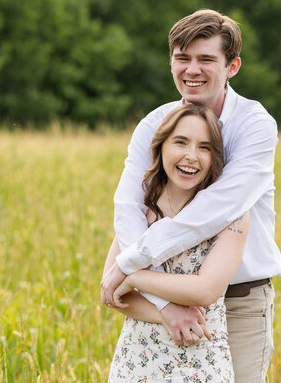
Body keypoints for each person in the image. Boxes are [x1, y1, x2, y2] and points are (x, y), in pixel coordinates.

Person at [102, 9, 281, 382]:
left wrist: (130, 266)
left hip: (237, 301)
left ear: (232, 66)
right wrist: (161, 299)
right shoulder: (154, 124)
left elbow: (217, 209)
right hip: (155, 293)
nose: (192, 69)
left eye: (206, 59)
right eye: (182, 58)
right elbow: (129, 205)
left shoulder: (255, 126)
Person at [104, 104, 250, 381]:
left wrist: (132, 274)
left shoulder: (233, 216)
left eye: (205, 147)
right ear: (160, 147)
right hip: (137, 362)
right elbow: (111, 292)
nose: (191, 157)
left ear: (215, 157)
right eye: (180, 142)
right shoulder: (140, 210)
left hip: (202, 362)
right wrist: (166, 311)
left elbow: (205, 290)